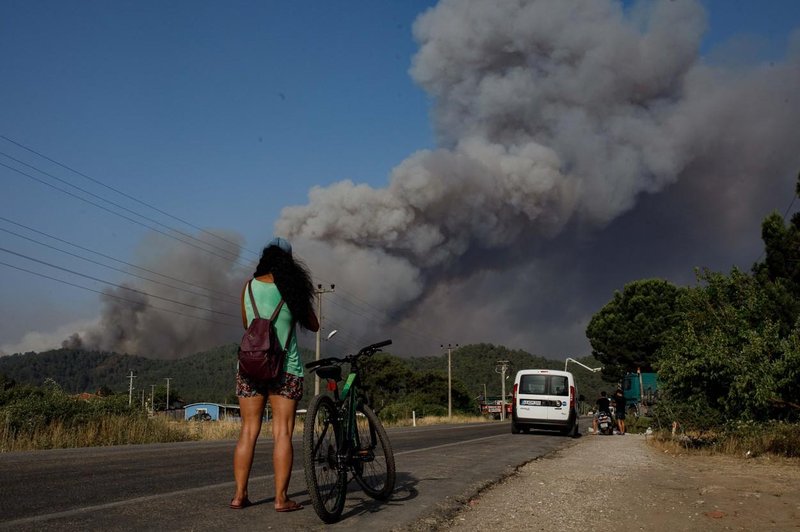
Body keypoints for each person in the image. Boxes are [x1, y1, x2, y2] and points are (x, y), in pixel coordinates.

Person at [230, 237, 319, 512]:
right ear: (288, 264)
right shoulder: (291, 289)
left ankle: (239, 495)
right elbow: (314, 326)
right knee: (282, 433)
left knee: (248, 432)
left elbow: (248, 324)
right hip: (286, 369)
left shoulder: (248, 287)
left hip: (250, 368)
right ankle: (281, 499)